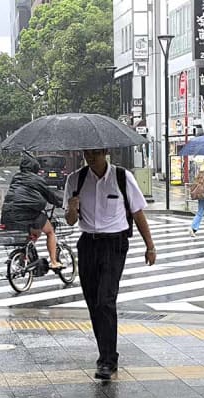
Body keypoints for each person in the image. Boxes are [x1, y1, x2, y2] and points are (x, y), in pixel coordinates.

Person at [64, 149, 156, 380]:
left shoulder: (122, 177)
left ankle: (107, 360)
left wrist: (150, 245)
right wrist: (72, 208)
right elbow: (70, 220)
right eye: (87, 152)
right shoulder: (75, 179)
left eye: (95, 152)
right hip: (87, 243)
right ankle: (104, 352)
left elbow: (137, 213)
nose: (91, 157)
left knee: (106, 299)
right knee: (94, 302)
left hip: (114, 243)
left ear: (105, 152)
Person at [1, 155, 64, 268]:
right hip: (27, 213)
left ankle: (23, 256)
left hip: (8, 213)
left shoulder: (16, 177)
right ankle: (54, 262)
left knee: (35, 232)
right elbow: (50, 195)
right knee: (50, 231)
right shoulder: (36, 179)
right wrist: (62, 203)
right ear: (35, 167)